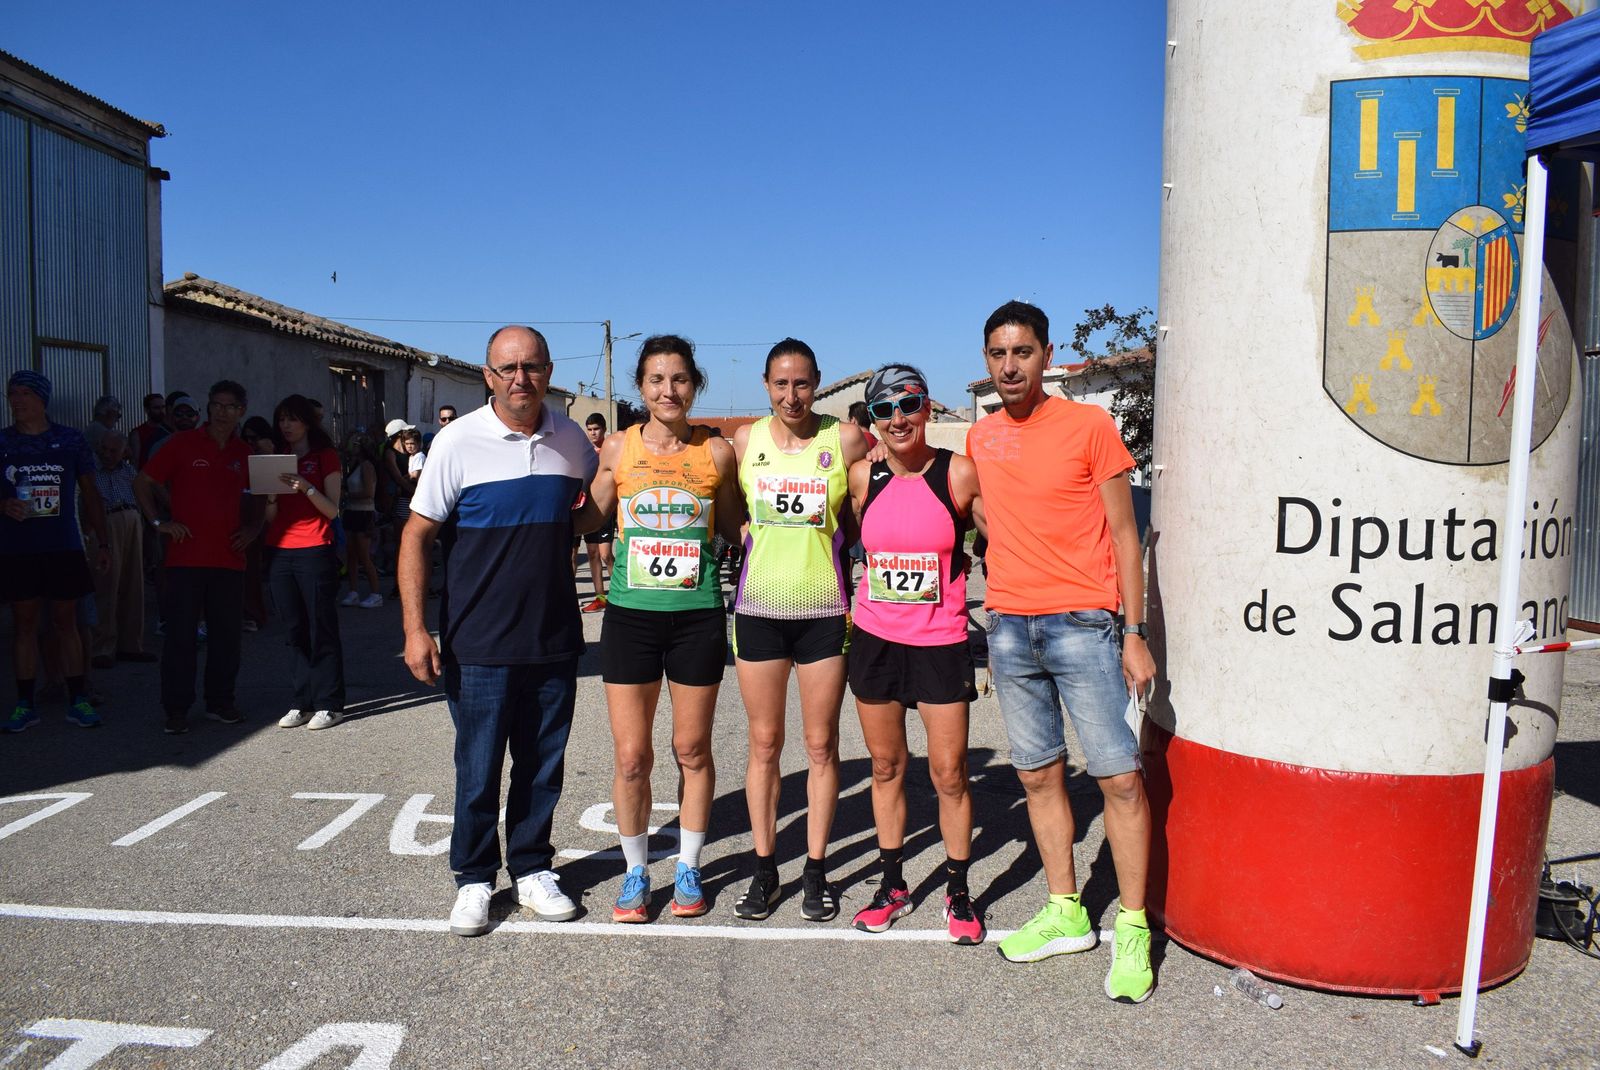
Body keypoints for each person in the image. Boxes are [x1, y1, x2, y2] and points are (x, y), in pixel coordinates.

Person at [966, 301, 1156, 1003]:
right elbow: (984, 509)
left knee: (1119, 780)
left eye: (1022, 352)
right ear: (986, 362)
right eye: (998, 354)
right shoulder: (983, 436)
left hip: (1085, 626)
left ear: (1046, 356)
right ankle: (1066, 910)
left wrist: (1134, 633)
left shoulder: (1089, 426)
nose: (1009, 366)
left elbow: (1126, 533)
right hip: (1010, 627)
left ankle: (1133, 926)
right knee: (1039, 776)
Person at [401, 325, 601, 937]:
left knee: (542, 765)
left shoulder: (572, 440)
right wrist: (415, 629)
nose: (521, 378)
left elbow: (587, 514)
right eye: (508, 368)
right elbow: (416, 536)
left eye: (532, 366)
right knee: (479, 767)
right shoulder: (457, 441)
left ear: (549, 372)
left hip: (552, 637)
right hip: (478, 642)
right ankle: (474, 878)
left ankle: (534, 868)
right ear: (488, 376)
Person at [588, 336, 743, 922]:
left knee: (691, 749)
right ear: (641, 387)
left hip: (696, 618)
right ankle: (635, 872)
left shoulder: (717, 452)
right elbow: (588, 515)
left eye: (679, 379)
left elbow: (734, 529)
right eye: (656, 379)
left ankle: (688, 866)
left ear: (694, 385)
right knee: (632, 757)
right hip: (630, 618)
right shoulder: (619, 447)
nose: (668, 390)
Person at [845, 364, 985, 944]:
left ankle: (958, 891)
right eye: (884, 410)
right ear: (873, 420)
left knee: (949, 773)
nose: (898, 418)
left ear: (927, 407)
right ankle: (893, 886)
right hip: (876, 639)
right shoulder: (862, 475)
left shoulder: (959, 472)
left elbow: (1000, 537)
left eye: (909, 405)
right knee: (886, 768)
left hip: (940, 642)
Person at [729, 338, 867, 921]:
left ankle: (815, 869)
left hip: (822, 612)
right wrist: (744, 537)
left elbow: (869, 507)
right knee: (764, 744)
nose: (792, 396)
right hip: (759, 610)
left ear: (817, 383)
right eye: (781, 384)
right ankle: (764, 869)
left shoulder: (846, 439)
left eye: (802, 383)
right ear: (766, 385)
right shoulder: (745, 440)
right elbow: (727, 509)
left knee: (820, 745)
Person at [135, 380, 261, 735]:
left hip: (229, 559)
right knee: (181, 638)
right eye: (216, 404)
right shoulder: (182, 443)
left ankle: (220, 702)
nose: (221, 412)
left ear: (241, 411)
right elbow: (142, 482)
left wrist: (253, 530)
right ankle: (176, 709)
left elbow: (263, 499)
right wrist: (159, 522)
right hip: (184, 559)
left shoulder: (245, 453)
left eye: (229, 406)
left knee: (226, 637)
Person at [2, 370, 110, 732]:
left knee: (67, 623)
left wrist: (103, 541)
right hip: (19, 549)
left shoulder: (70, 439)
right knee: (25, 626)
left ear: (41, 399)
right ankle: (24, 704)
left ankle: (78, 698)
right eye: (12, 393)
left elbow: (91, 492)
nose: (16, 400)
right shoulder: (3, 441)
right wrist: (3, 504)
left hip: (63, 546)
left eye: (24, 393)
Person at [265, 394, 347, 731]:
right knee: (293, 629)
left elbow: (333, 510)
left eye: (293, 419)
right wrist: (271, 497)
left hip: (315, 548)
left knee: (321, 627)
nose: (286, 425)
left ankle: (330, 703)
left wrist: (306, 488)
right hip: (280, 550)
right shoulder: (275, 459)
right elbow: (270, 518)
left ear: (307, 423)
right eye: (282, 419)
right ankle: (302, 701)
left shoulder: (324, 455)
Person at [88, 429, 152, 667]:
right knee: (106, 585)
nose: (107, 454)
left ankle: (131, 644)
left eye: (113, 451)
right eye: (104, 449)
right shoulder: (91, 470)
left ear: (124, 452)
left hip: (132, 519)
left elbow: (142, 495)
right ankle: (101, 647)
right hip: (106, 521)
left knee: (134, 584)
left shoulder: (128, 471)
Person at [338, 431, 383, 608]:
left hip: (364, 513)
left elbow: (368, 493)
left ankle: (376, 593)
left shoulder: (367, 466)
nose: (351, 448)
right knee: (351, 555)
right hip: (351, 511)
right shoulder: (354, 465)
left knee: (364, 556)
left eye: (354, 445)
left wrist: (346, 495)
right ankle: (353, 591)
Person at [579, 412, 614, 613]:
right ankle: (600, 597)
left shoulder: (610, 449)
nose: (593, 433)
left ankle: (618, 595)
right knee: (592, 553)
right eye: (590, 429)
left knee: (605, 554)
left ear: (604, 429)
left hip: (606, 508)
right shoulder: (585, 451)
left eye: (596, 429)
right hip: (588, 507)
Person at [131, 393, 168, 469]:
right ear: (147, 410)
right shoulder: (138, 433)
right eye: (157, 408)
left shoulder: (171, 430)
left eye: (163, 407)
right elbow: (135, 461)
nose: (161, 411)